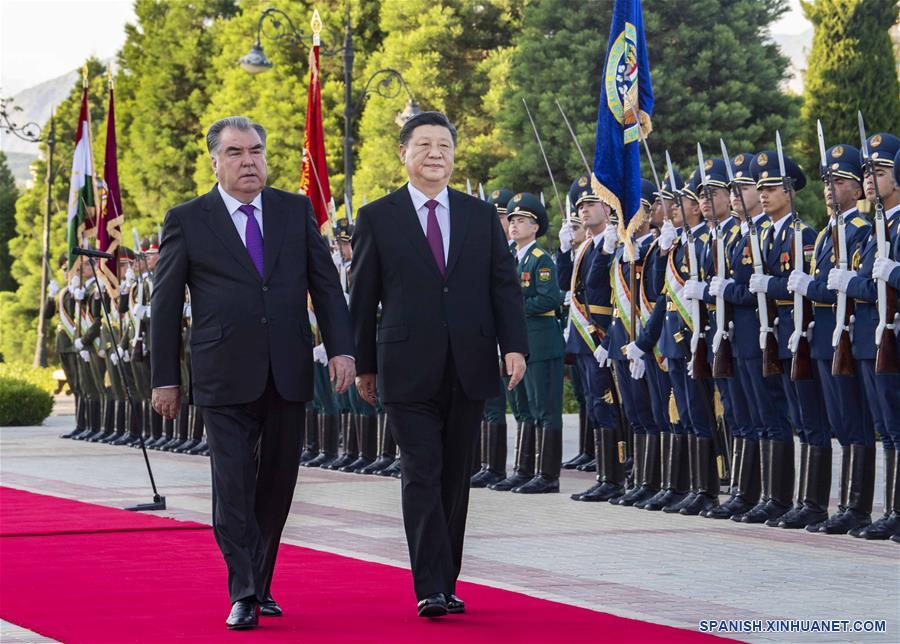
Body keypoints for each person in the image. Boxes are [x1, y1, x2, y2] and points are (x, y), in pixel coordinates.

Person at [151, 116, 355, 630]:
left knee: (277, 484)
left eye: (256, 151)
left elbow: (326, 285)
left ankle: (261, 583)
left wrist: (342, 349)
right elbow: (165, 305)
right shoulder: (187, 220)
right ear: (215, 162)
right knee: (234, 484)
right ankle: (242, 590)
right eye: (236, 152)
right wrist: (164, 378)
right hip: (223, 373)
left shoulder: (294, 211)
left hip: (287, 369)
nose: (249, 162)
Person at [350, 111, 527, 618]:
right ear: (403, 153)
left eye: (444, 146)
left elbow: (503, 286)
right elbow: (362, 297)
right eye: (424, 144)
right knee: (421, 470)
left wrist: (514, 346)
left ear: (453, 155)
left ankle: (446, 580)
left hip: (468, 363)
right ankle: (429, 586)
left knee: (454, 474)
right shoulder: (378, 216)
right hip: (405, 367)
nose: (435, 154)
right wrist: (363, 363)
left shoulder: (479, 216)